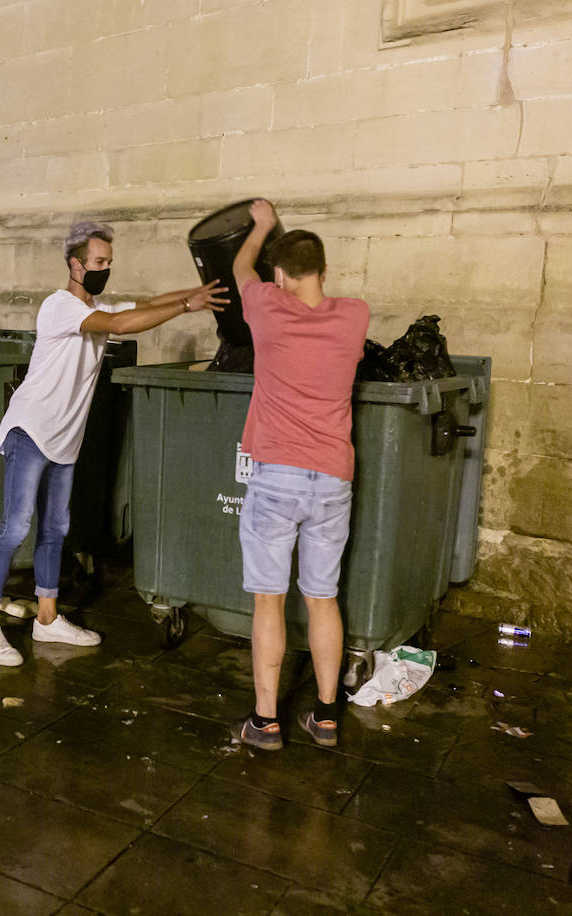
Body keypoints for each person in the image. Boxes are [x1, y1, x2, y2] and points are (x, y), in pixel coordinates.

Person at [0, 220, 228, 667]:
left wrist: (193, 295)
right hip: (30, 431)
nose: (106, 268)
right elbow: (123, 321)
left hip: (65, 438)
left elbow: (144, 305)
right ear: (75, 264)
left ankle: (46, 619)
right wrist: (187, 305)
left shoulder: (96, 305)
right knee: (15, 528)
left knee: (55, 530)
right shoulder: (60, 307)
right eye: (99, 262)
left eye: (109, 262)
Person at [229, 199, 369, 751]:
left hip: (276, 476)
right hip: (332, 479)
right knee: (322, 598)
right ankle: (327, 717)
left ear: (280, 275)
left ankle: (266, 723)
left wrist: (261, 228)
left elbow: (241, 272)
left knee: (269, 600)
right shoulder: (354, 315)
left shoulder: (266, 306)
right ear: (325, 271)